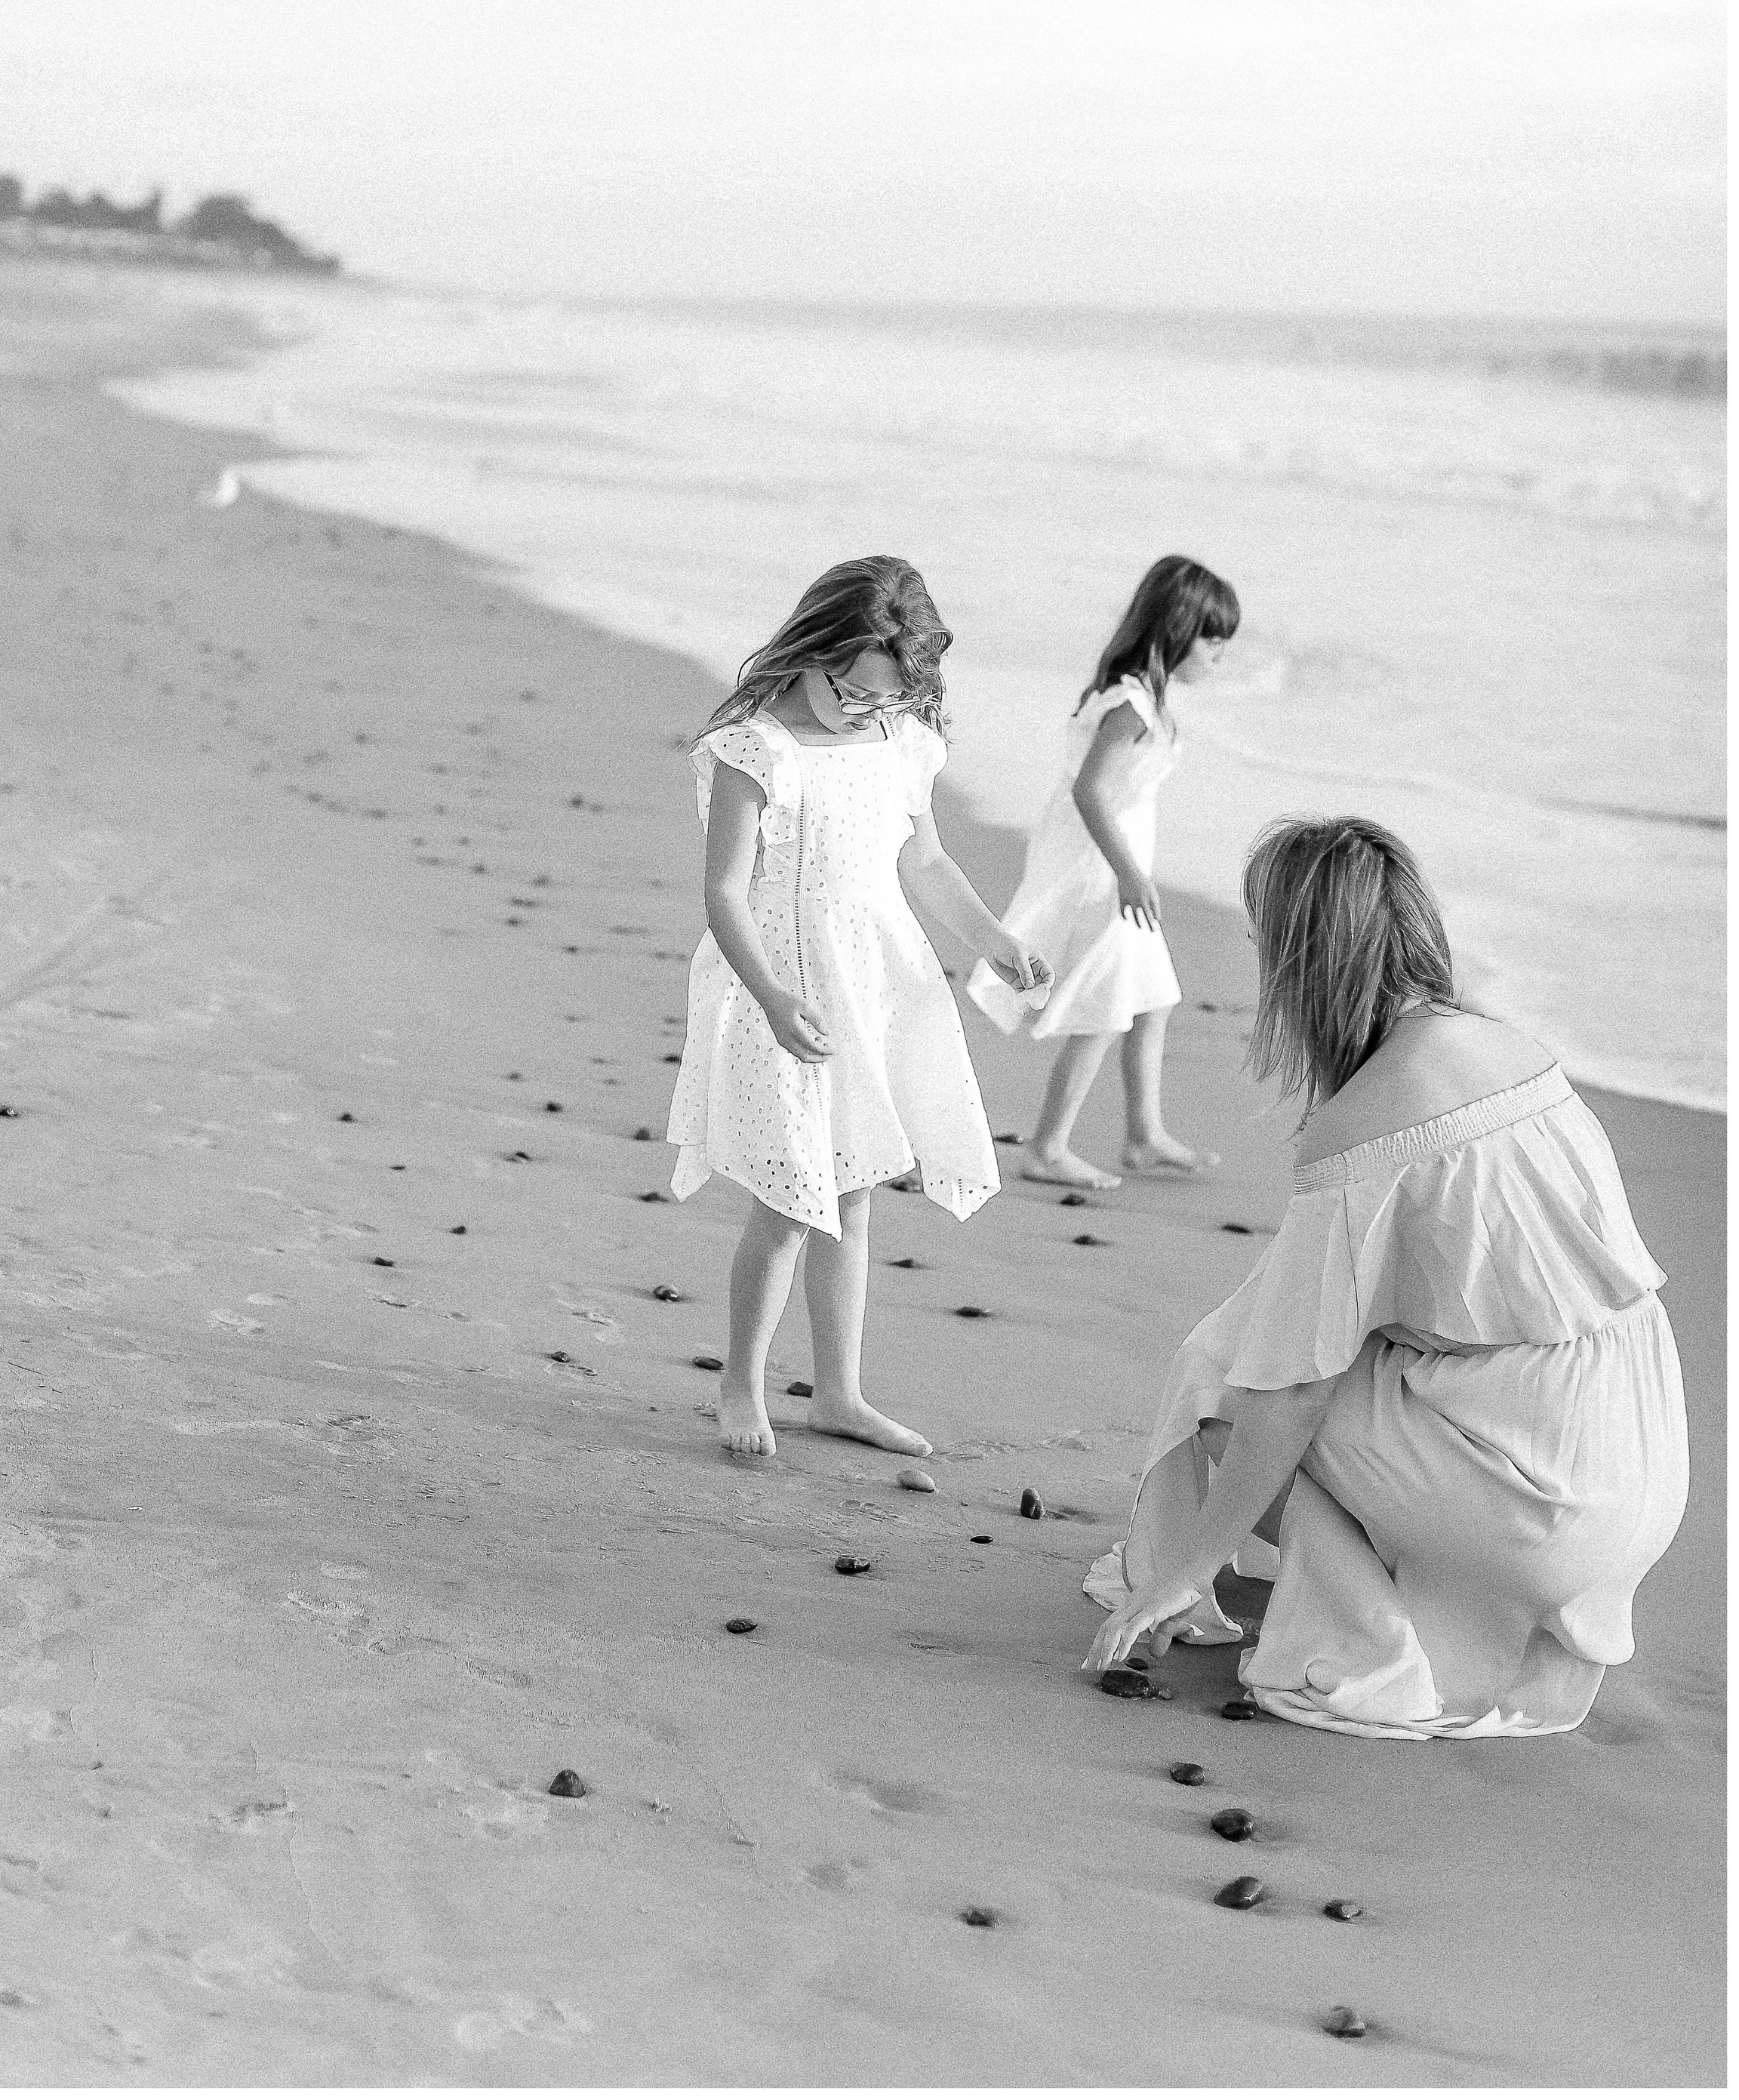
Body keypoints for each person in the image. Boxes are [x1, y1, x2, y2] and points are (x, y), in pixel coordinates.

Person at [1082, 815, 1690, 1738]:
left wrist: (1191, 1563)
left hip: (1538, 1497)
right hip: (1635, 1458)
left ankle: (1344, 1626)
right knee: (1268, 1332)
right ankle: (1387, 1594)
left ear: (1299, 956)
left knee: (1227, 1368)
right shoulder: (1512, 1048)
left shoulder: (1364, 1123)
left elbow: (1285, 1394)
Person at [666, 556, 1050, 1459]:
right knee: (792, 1197)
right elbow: (724, 894)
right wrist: (771, 994)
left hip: (872, 978)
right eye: (848, 689)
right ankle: (740, 1385)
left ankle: (839, 1392)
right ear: (813, 646)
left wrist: (993, 939)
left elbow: (925, 865)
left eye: (882, 698)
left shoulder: (901, 739)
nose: (862, 709)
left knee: (857, 1185)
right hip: (783, 982)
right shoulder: (756, 748)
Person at [968, 555, 1239, 1187]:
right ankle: (1047, 1146)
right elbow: (1092, 791)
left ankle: (1144, 1135)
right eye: (1213, 643)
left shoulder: (1139, 696)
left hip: (1115, 868)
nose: (1218, 658)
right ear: (1177, 629)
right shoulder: (1131, 706)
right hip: (1102, 875)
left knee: (1154, 1002)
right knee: (1107, 1007)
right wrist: (1129, 874)